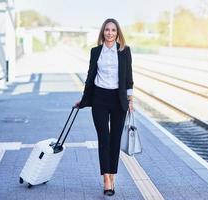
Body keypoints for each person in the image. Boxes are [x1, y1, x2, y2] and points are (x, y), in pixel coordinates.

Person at [75, 18, 134, 196]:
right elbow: (90, 76)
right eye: (107, 30)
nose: (110, 33)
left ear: (117, 33)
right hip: (99, 99)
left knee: (114, 140)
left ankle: (112, 174)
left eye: (113, 30)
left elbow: (128, 77)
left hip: (118, 100)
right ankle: (106, 178)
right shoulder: (95, 51)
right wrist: (84, 100)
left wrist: (130, 100)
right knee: (104, 139)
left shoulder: (125, 51)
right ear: (103, 32)